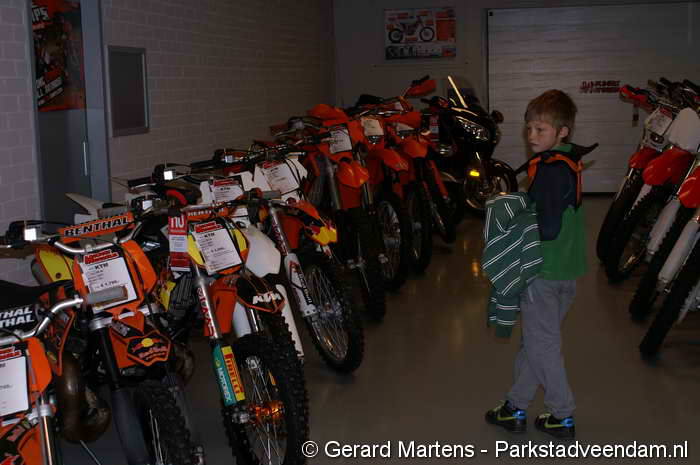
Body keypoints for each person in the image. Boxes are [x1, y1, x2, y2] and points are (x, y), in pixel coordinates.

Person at [484, 89, 595, 440]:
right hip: (567, 271)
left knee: (542, 345)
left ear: (562, 131)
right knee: (535, 342)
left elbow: (546, 227)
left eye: (540, 129)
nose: (532, 136)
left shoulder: (549, 170)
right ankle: (515, 406)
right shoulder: (568, 161)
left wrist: (516, 217)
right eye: (529, 128)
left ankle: (562, 414)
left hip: (542, 273)